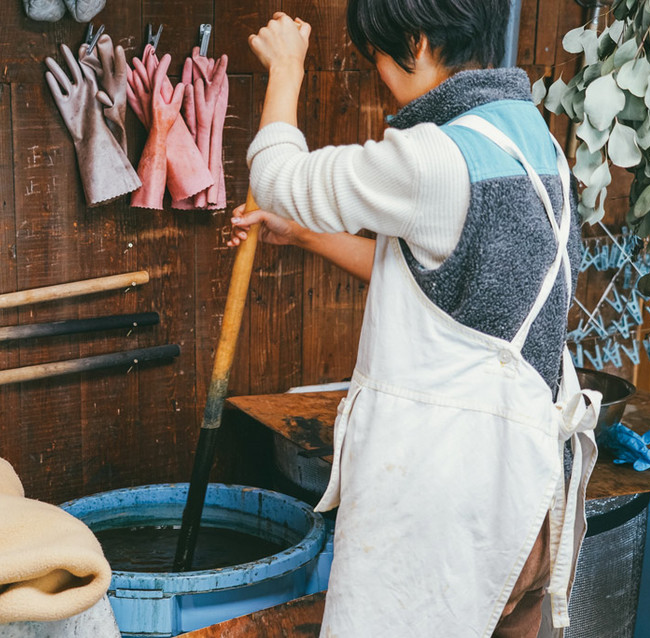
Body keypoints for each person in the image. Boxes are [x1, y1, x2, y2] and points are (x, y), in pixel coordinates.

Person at [231, 2, 601, 636]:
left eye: (377, 53)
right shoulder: (532, 139)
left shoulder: (433, 158)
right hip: (532, 505)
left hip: (458, 515)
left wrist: (286, 71)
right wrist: (310, 237)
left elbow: (275, 176)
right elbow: (446, 284)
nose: (378, 70)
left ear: (418, 40)